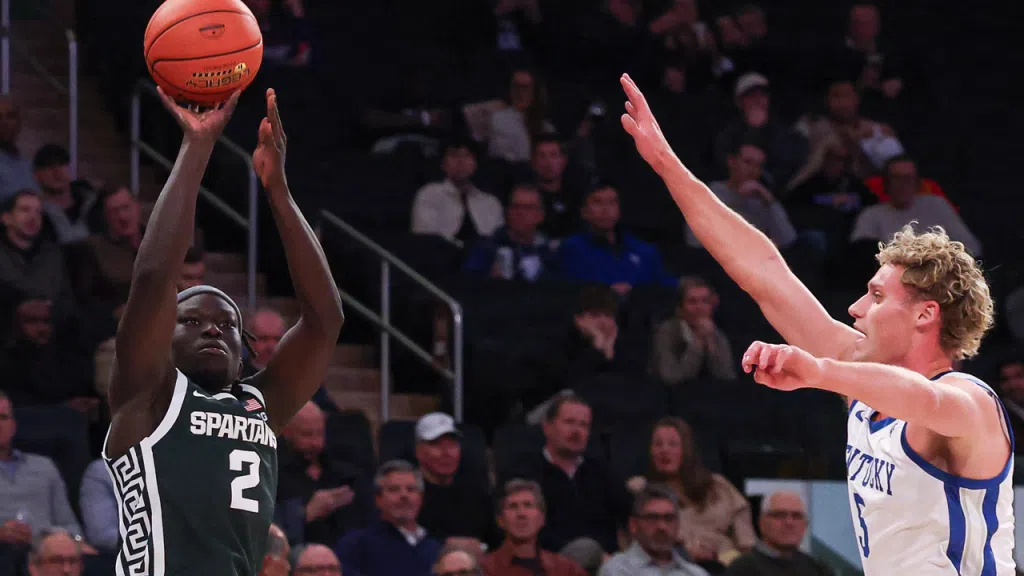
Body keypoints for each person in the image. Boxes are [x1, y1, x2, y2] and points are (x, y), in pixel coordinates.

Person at [618, 73, 1014, 575]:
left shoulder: (971, 404)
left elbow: (923, 400)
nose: (855, 309)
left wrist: (820, 371)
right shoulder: (858, 371)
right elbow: (765, 273)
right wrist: (667, 165)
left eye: (876, 296)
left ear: (925, 314)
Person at [102, 87, 345, 576]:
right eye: (191, 321)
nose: (213, 330)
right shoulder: (147, 393)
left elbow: (325, 321)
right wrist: (197, 146)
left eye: (228, 324)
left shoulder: (261, 405)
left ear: (244, 350)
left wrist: (279, 192)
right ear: (162, 336)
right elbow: (154, 277)